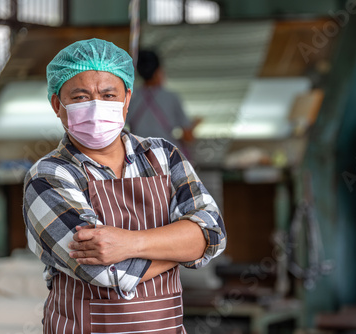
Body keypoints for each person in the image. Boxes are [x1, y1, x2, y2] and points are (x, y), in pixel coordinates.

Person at [23, 38, 226, 333]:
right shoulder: (49, 176)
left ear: (127, 99)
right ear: (57, 104)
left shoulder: (163, 155)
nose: (96, 107)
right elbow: (105, 271)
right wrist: (183, 249)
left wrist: (130, 243)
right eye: (80, 97)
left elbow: (213, 233)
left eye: (108, 94)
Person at [127, 50, 201, 158]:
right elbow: (188, 137)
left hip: (139, 157)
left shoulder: (130, 97)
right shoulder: (171, 97)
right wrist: (195, 124)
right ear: (159, 70)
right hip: (166, 158)